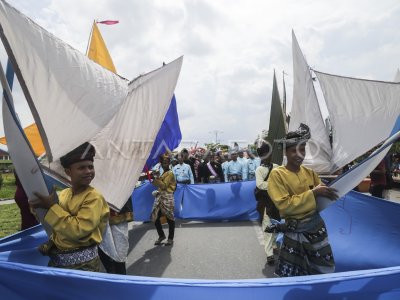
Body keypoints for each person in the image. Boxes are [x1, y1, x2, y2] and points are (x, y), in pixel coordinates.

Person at [267, 124, 338, 277]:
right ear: (286, 152)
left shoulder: (310, 172)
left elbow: (321, 197)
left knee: (324, 270)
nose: (299, 154)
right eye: (294, 150)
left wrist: (331, 190)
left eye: (303, 149)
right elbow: (285, 206)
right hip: (295, 232)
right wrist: (313, 193)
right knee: (294, 276)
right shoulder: (277, 174)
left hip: (317, 230)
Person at [29, 142, 109, 272]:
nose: (88, 171)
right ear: (68, 172)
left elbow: (79, 230)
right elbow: (55, 222)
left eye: (90, 167)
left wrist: (51, 206)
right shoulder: (65, 193)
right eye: (82, 168)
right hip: (59, 262)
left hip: (85, 266)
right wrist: (38, 207)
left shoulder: (94, 197)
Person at [254, 142, 280, 265]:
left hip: (277, 201)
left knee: (276, 223)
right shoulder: (259, 170)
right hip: (265, 202)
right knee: (267, 226)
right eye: (264, 154)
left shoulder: (277, 167)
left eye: (269, 154)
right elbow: (260, 185)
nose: (267, 156)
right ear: (261, 156)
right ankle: (269, 254)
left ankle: (274, 245)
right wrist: (274, 186)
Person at [98, 198, 133, 275]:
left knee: (120, 253)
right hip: (99, 217)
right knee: (105, 252)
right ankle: (114, 277)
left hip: (118, 214)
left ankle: (120, 279)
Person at [152, 154, 177, 246]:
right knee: (155, 217)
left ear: (169, 163)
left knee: (169, 217)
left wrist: (156, 178)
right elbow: (157, 184)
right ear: (161, 164)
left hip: (167, 197)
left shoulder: (170, 173)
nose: (164, 164)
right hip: (160, 197)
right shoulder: (163, 173)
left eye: (166, 163)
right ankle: (161, 235)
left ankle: (170, 238)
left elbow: (164, 186)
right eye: (163, 163)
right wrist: (154, 177)